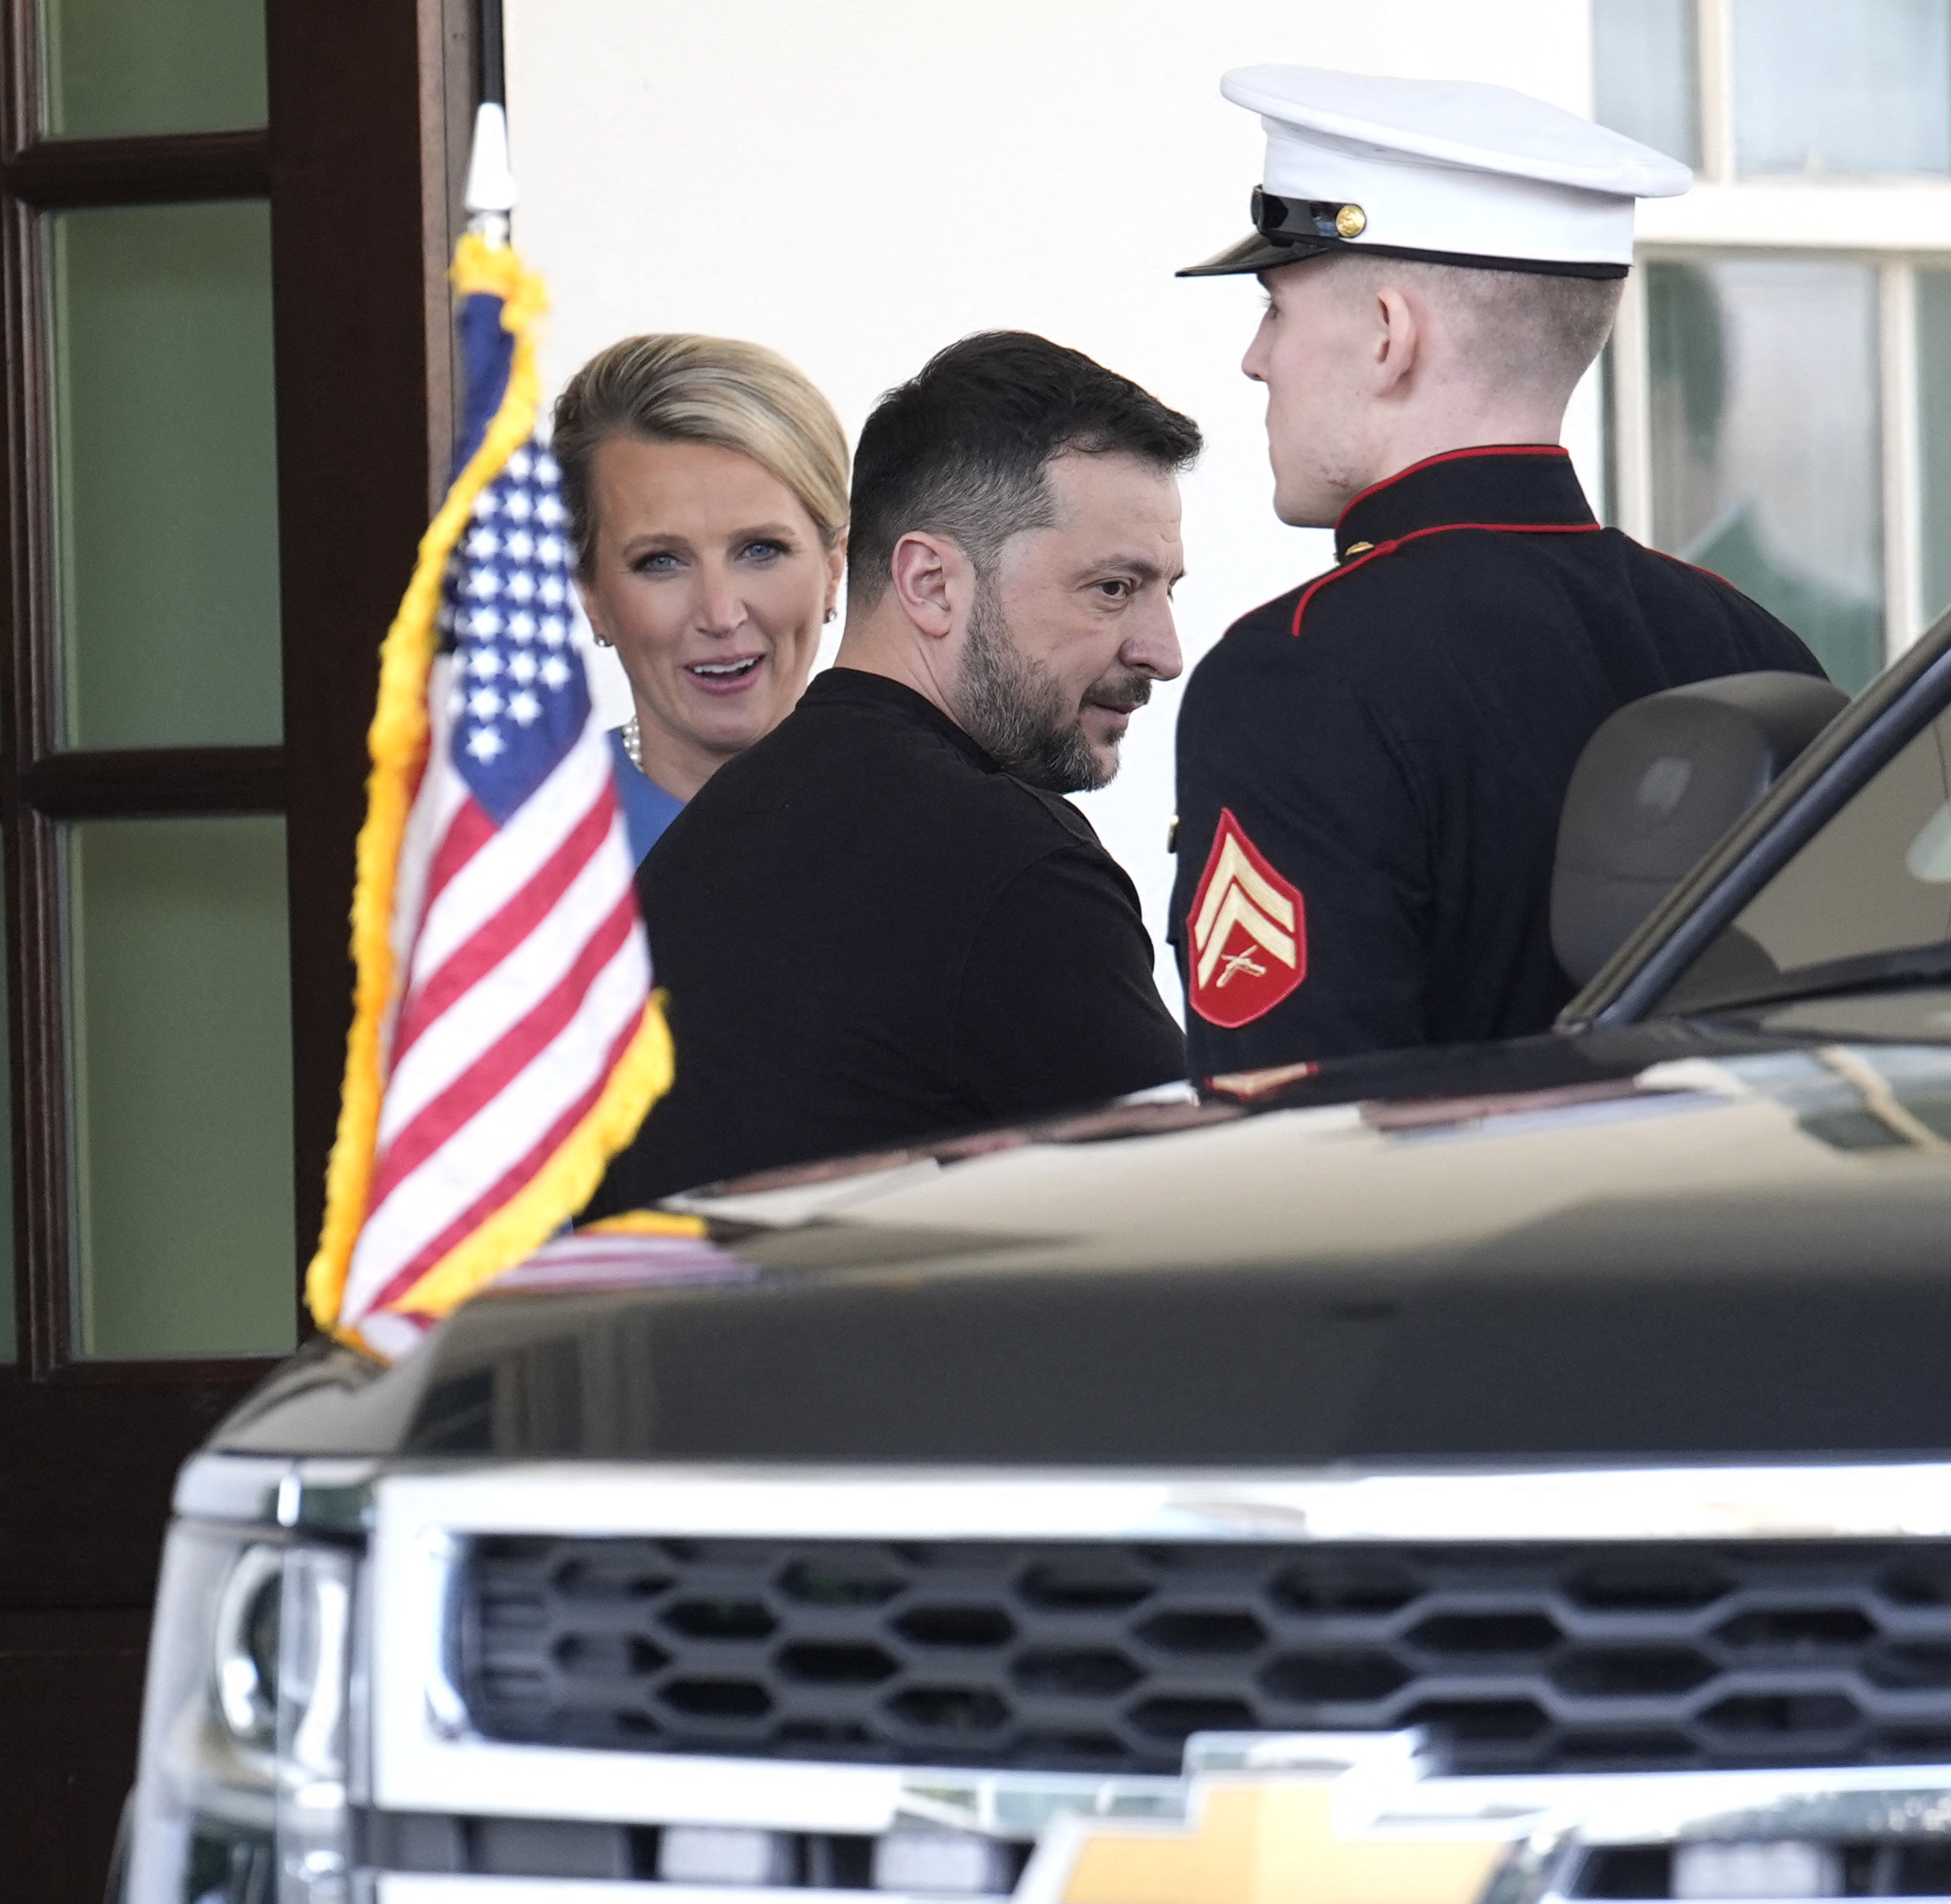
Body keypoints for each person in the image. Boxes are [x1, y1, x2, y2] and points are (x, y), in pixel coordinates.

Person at [1165, 64, 1826, 1073]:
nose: (1256, 359)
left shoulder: (1296, 674)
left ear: (1389, 337)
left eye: (1277, 309)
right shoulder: (1752, 642)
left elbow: (1295, 1143)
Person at [584, 333, 1197, 1210]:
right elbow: (1199, 1235)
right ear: (931, 583)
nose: (1162, 651)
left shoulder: (703, 846)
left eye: (1165, 589)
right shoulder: (1008, 863)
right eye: (1112, 587)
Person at [551, 331, 852, 849]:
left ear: (834, 567)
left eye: (760, 549)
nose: (720, 613)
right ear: (591, 596)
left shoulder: (949, 831)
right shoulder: (525, 851)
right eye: (660, 561)